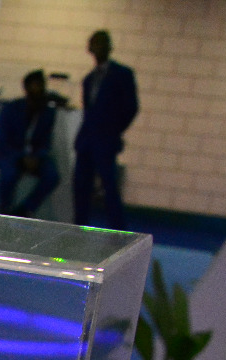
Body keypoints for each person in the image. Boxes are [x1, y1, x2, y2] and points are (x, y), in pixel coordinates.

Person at [73, 29, 138, 228]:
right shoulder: (89, 79)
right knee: (81, 187)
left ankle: (118, 230)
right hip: (87, 141)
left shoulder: (122, 74)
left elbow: (131, 107)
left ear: (109, 48)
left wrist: (113, 130)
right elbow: (89, 111)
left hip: (106, 140)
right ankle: (79, 226)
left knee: (109, 187)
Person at [0, 69, 60, 217]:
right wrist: (22, 156)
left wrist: (37, 156)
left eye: (41, 85)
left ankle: (25, 209)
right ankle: (4, 210)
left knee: (52, 175)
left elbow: (46, 141)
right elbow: (3, 138)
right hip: (12, 154)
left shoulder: (47, 113)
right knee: (8, 175)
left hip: (36, 156)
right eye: (35, 85)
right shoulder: (11, 109)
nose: (38, 89)